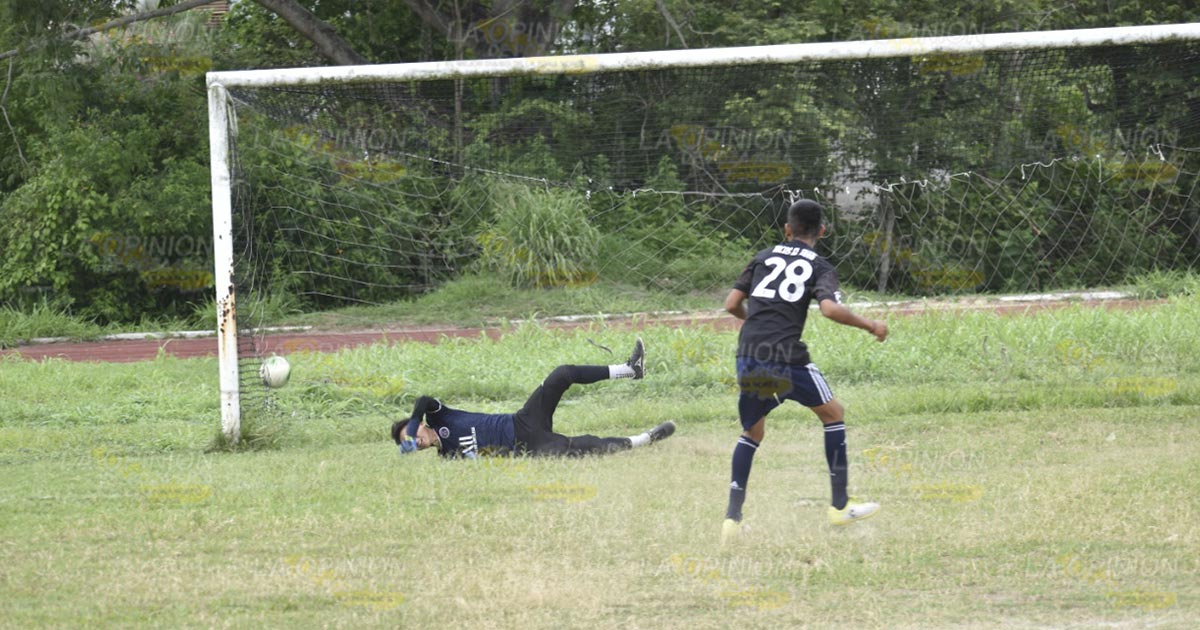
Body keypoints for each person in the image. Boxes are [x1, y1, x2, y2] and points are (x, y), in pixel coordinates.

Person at [721, 198, 888, 542]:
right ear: (821, 231)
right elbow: (830, 309)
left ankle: (732, 521)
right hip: (786, 356)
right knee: (833, 414)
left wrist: (755, 323)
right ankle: (840, 506)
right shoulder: (820, 266)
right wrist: (871, 325)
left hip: (749, 353)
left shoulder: (762, 257)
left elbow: (732, 304)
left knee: (752, 432)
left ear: (787, 229)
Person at [391, 338, 675, 458]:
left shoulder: (438, 416)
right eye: (410, 442)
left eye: (413, 434)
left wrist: (412, 423)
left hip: (523, 420)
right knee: (584, 446)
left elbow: (424, 399)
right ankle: (646, 438)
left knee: (562, 374)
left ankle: (630, 370)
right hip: (528, 446)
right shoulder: (448, 456)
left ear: (422, 426)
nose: (415, 439)